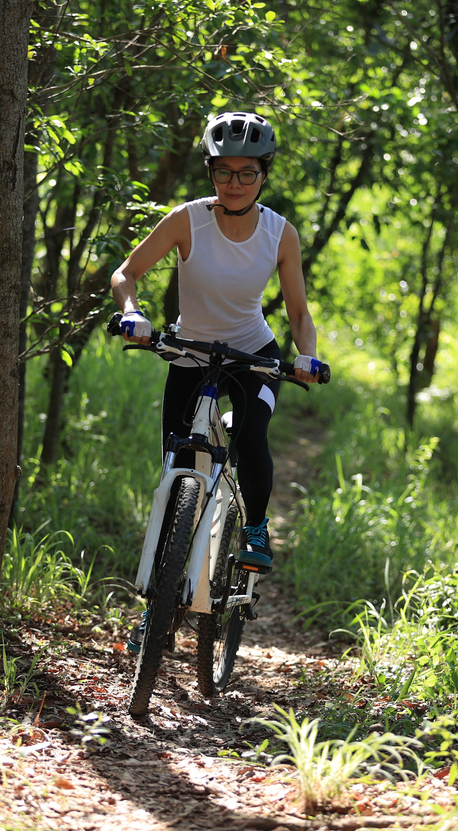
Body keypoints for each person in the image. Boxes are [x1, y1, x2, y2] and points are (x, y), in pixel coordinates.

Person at [110, 111, 321, 639]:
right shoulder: (188, 219)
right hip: (191, 350)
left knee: (250, 436)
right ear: (209, 172)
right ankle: (154, 606)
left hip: (254, 353)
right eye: (223, 171)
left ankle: (253, 528)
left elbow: (298, 313)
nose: (234, 183)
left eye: (246, 172)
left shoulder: (280, 233)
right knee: (175, 468)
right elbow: (126, 273)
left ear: (264, 173)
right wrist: (133, 311)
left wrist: (306, 355)